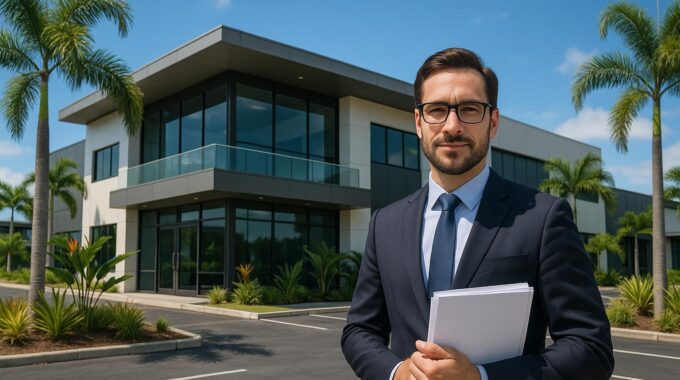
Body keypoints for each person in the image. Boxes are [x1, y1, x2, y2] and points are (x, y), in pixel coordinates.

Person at [341, 48, 614, 380]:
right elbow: (358, 330)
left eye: (469, 109)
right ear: (418, 122)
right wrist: (397, 372)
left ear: (493, 122)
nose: (452, 126)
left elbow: (591, 347)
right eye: (437, 110)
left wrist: (481, 376)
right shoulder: (385, 224)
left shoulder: (543, 218)